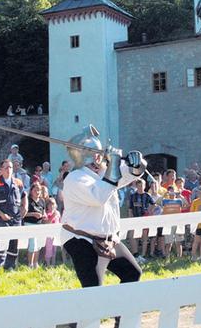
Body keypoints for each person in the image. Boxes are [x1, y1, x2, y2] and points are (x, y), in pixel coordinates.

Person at [60, 124, 144, 305]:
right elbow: (99, 196)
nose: (98, 156)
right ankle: (71, 324)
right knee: (93, 292)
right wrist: (113, 166)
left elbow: (129, 175)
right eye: (93, 153)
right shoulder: (75, 179)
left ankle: (121, 320)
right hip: (81, 240)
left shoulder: (104, 173)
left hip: (108, 239)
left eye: (99, 152)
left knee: (132, 273)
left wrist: (136, 164)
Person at [0, 159, 25, 269]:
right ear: (1, 169)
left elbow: (24, 196)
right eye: (6, 167)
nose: (9, 170)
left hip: (16, 217)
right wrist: (2, 215)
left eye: (10, 167)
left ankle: (10, 267)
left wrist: (25, 207)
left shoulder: (18, 182)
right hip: (1, 217)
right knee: (2, 241)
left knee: (14, 242)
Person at [22, 183, 46, 268]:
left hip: (39, 225)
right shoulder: (28, 200)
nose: (37, 192)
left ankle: (36, 263)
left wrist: (44, 216)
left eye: (39, 190)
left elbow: (43, 212)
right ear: (31, 191)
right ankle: (30, 264)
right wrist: (33, 214)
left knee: (38, 244)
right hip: (29, 224)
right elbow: (23, 214)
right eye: (35, 190)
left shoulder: (42, 201)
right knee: (32, 244)